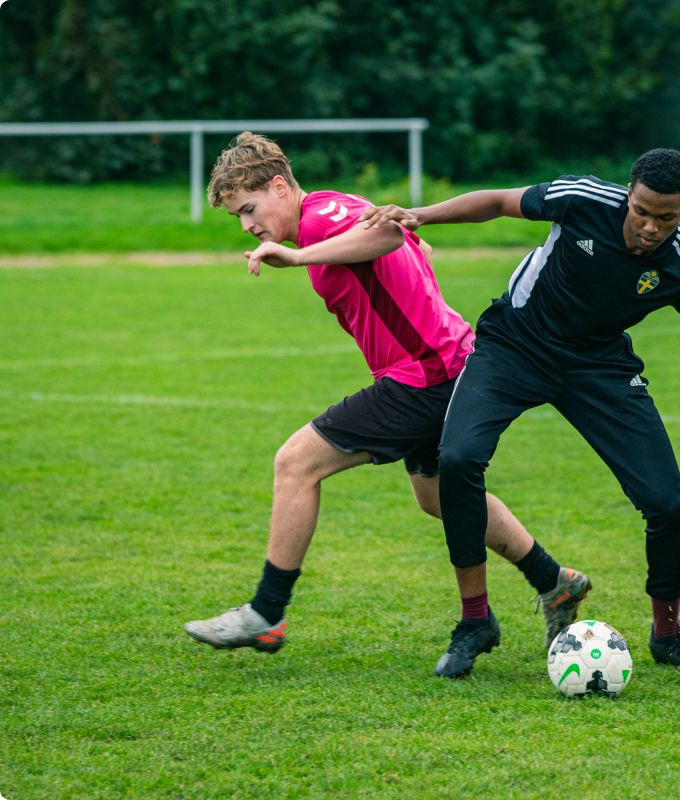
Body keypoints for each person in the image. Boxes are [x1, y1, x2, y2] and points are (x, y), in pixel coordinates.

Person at [184, 132, 591, 677]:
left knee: (296, 462)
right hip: (448, 365)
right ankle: (553, 581)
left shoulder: (321, 220)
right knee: (436, 496)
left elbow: (393, 236)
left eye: (249, 209)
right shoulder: (334, 207)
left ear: (279, 187)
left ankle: (266, 613)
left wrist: (300, 255)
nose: (247, 225)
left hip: (422, 378)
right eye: (238, 216)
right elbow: (407, 243)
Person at [360, 148, 680, 677]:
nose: (649, 227)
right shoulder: (582, 199)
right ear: (628, 193)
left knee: (667, 503)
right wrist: (421, 214)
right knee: (459, 458)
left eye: (665, 217)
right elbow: (498, 201)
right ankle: (474, 621)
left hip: (597, 364)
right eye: (641, 210)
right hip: (515, 344)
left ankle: (668, 636)